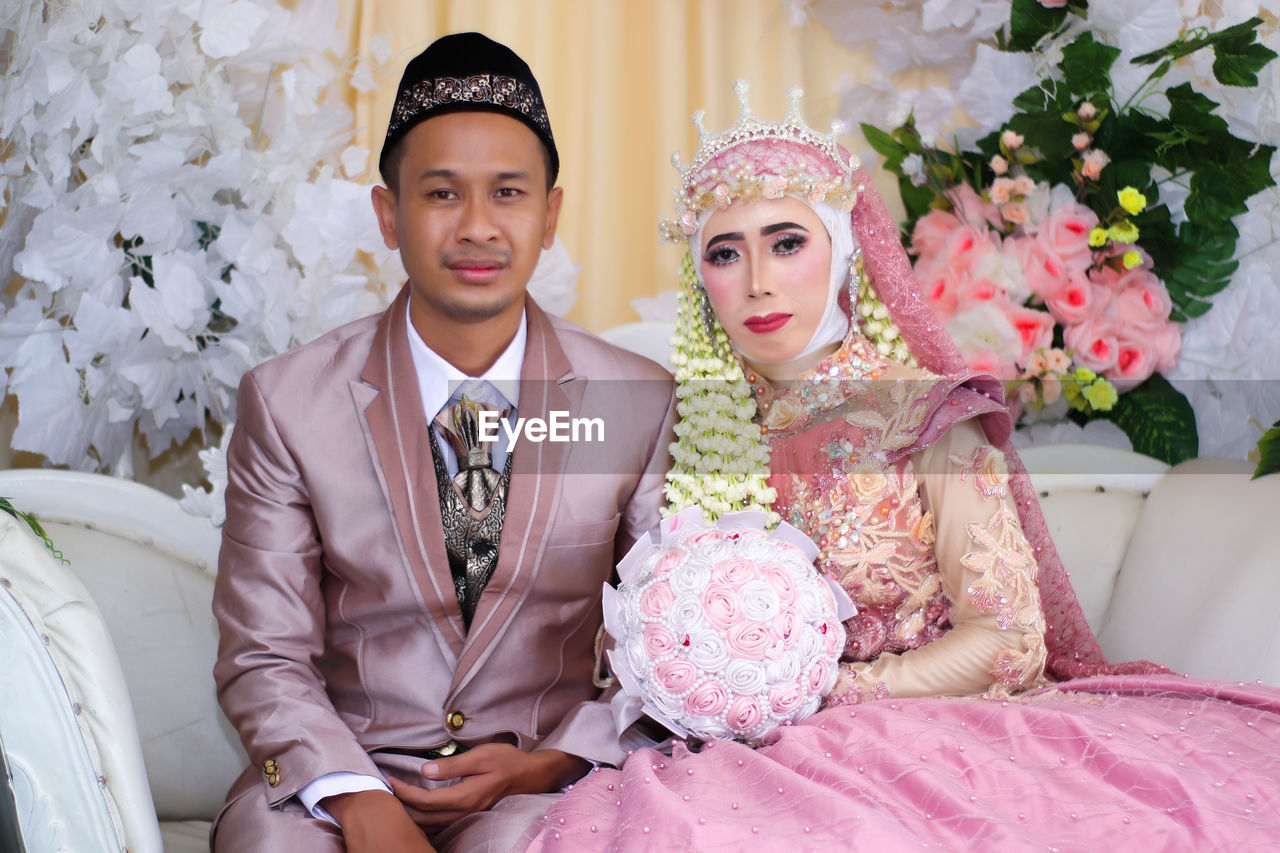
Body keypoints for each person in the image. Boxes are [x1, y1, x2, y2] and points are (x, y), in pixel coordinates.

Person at [523, 83, 1280, 851]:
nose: (757, 280)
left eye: (788, 242)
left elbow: (1010, 638)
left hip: (926, 738)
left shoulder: (927, 419)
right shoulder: (684, 435)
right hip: (734, 751)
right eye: (725, 252)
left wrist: (822, 694)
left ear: (843, 250)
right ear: (701, 280)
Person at [210, 33, 676, 853]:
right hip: (344, 771)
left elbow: (662, 651)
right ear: (388, 216)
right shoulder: (288, 402)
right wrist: (356, 797)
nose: (477, 227)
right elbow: (262, 653)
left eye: (507, 193)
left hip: (540, 780)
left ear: (550, 215)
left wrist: (547, 763)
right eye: (440, 194)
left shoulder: (632, 401)